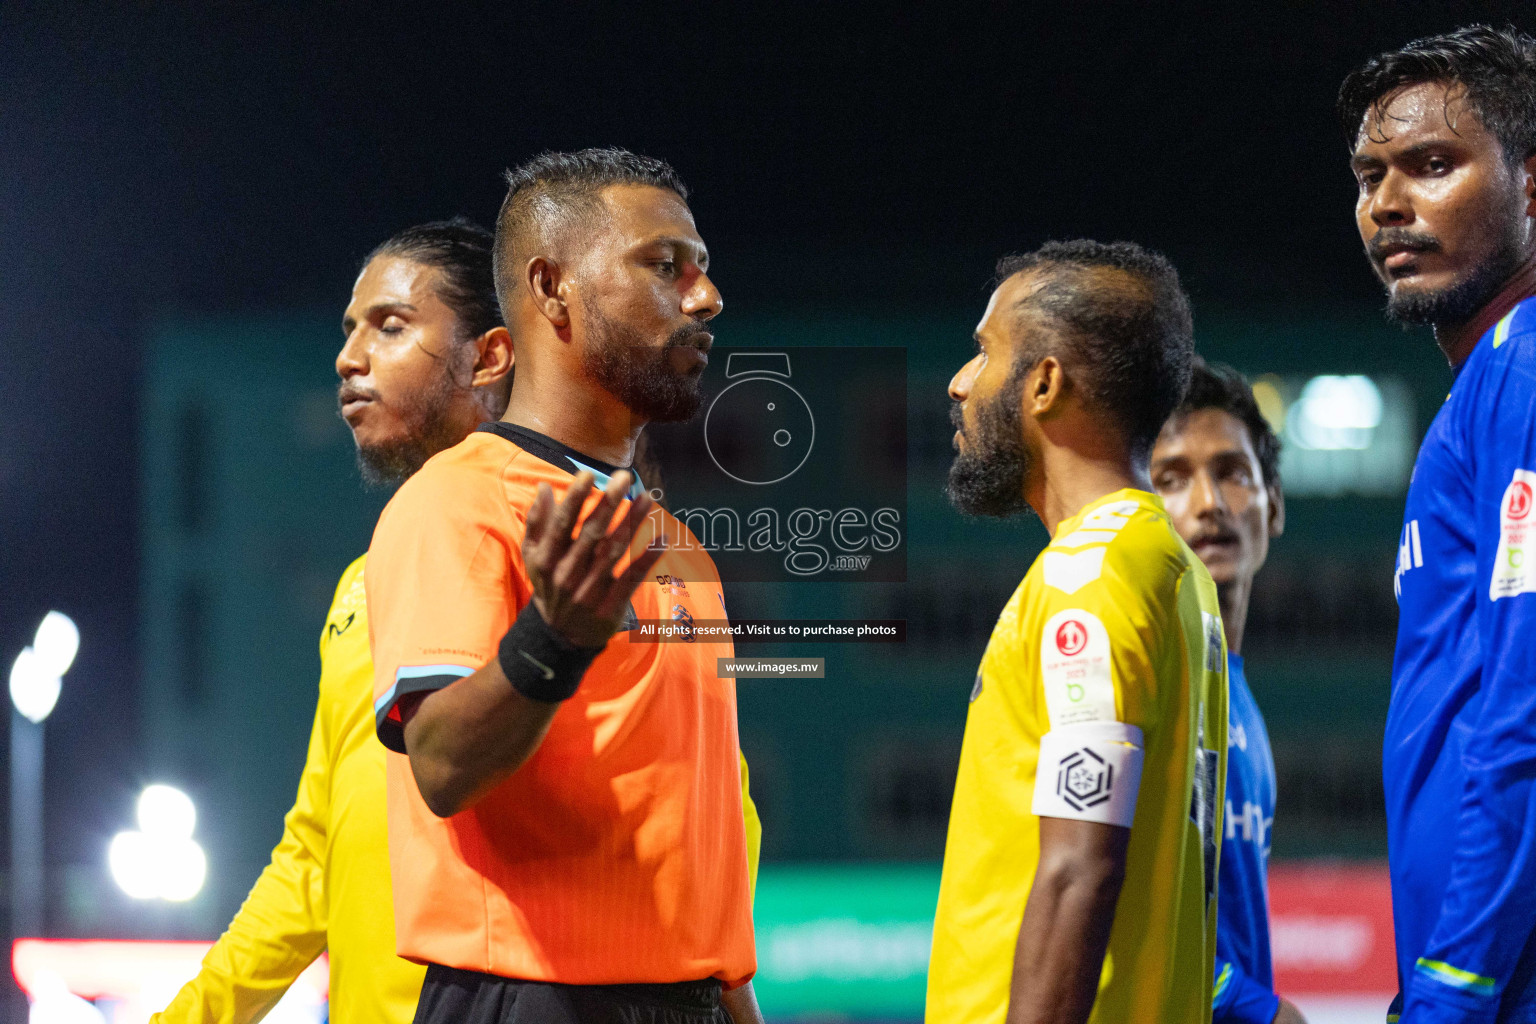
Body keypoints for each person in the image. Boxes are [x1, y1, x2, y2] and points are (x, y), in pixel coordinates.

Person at [152, 216, 763, 1024]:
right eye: (349, 330)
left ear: (492, 356)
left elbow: (714, 816)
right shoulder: (361, 588)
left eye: (391, 326)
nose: (348, 358)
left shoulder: (611, 565)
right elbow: (314, 855)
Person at [366, 148, 762, 1024]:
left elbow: (695, 854)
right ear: (553, 290)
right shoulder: (455, 500)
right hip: (535, 996)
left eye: (702, 270)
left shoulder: (678, 546)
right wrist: (553, 642)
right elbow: (439, 766)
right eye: (665, 265)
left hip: (685, 998)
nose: (705, 297)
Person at [926, 239, 1227, 1024]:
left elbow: (1079, 870)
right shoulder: (1171, 566)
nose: (959, 383)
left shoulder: (1089, 577)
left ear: (1045, 383)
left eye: (984, 353)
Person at [1339, 24, 1536, 1024]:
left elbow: (1527, 703)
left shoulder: (1526, 370)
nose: (1388, 204)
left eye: (1432, 165)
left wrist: (1453, 987)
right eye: (1370, 175)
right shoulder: (1484, 387)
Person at [1151, 361, 1305, 1024]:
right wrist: (1261, 1012)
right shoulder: (1148, 683)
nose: (1209, 502)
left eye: (1232, 472)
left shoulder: (1239, 696)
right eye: (1172, 479)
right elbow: (1122, 912)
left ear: (1274, 504)